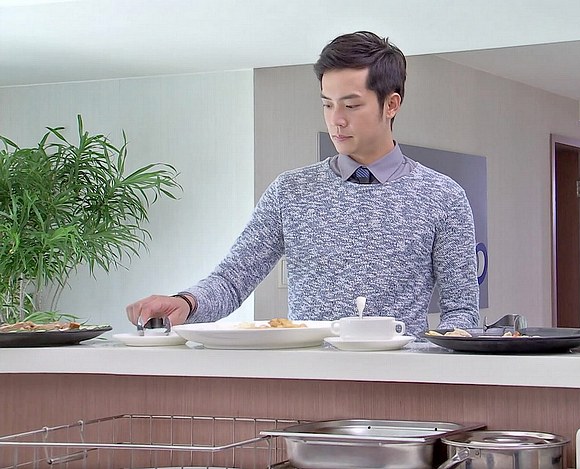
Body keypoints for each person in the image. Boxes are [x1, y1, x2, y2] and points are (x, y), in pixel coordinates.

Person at [126, 31, 480, 336]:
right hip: (305, 377)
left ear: (391, 104)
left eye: (351, 106)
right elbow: (233, 279)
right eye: (327, 104)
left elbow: (461, 311)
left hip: (401, 381)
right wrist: (186, 303)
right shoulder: (290, 191)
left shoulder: (443, 196)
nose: (336, 120)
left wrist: (439, 363)